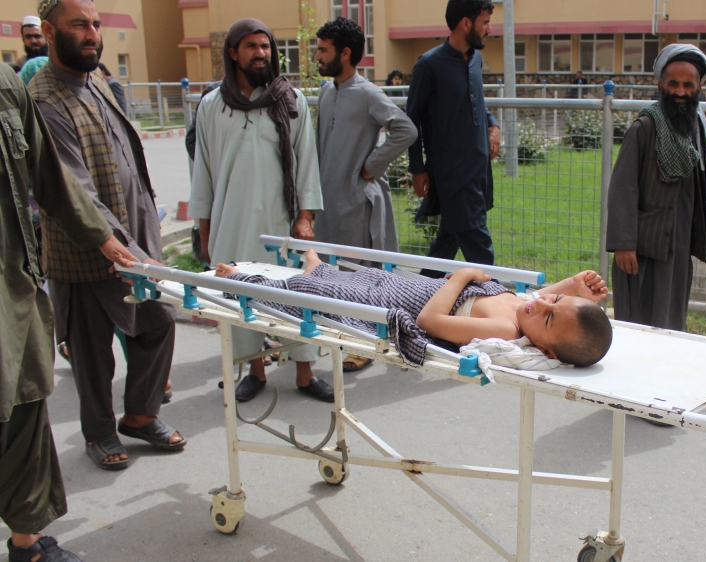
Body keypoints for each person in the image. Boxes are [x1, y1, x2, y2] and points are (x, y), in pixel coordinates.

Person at [29, 0, 183, 470]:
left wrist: (145, 238)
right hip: (85, 249)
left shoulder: (97, 81)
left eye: (95, 24)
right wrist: (114, 245)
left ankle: (138, 415)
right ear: (50, 32)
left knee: (157, 323)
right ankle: (98, 433)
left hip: (135, 238)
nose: (92, 33)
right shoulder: (43, 99)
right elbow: (72, 187)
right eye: (80, 25)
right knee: (91, 353)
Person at [0, 60, 140, 562]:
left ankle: (27, 543)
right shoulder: (40, 91)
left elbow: (51, 179)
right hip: (62, 274)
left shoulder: (5, 86)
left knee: (23, 402)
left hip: (11, 289)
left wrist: (108, 241)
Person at [189, 18, 328, 403]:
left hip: (280, 221)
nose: (261, 53)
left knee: (296, 296)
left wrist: (305, 217)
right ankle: (255, 370)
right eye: (251, 46)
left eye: (265, 46)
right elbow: (202, 171)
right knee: (239, 298)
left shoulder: (291, 101)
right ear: (233, 53)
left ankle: (304, 372)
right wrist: (204, 230)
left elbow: (306, 164)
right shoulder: (212, 106)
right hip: (230, 220)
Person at [215, 249, 613, 367]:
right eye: (553, 298)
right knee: (357, 277)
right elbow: (541, 305)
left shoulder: (506, 331)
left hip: (401, 303)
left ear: (544, 349)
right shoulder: (529, 311)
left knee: (322, 295)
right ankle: (320, 268)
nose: (542, 301)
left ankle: (240, 279)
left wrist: (459, 277)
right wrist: (574, 287)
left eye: (548, 315)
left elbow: (429, 321)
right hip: (412, 285)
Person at [313, 17, 417, 371]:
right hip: (326, 201)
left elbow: (405, 130)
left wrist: (373, 166)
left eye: (323, 50)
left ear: (345, 53)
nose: (317, 56)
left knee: (360, 276)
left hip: (356, 202)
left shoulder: (369, 93)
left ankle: (364, 345)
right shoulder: (327, 92)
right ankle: (342, 337)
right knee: (331, 274)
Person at [606, 44, 706, 332]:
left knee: (671, 322)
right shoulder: (644, 127)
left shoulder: (696, 130)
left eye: (688, 85)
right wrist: (624, 244)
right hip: (642, 247)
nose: (680, 92)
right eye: (673, 83)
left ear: (699, 87)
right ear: (660, 84)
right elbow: (622, 190)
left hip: (679, 246)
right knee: (637, 321)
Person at [406, 0, 501, 277]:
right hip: (451, 172)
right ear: (466, 23)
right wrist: (417, 168)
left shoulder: (475, 59)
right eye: (485, 22)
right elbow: (411, 119)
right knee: (479, 245)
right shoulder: (429, 64)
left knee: (446, 244)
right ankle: (499, 301)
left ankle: (419, 293)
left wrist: (492, 125)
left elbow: (476, 103)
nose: (489, 29)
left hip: (478, 169)